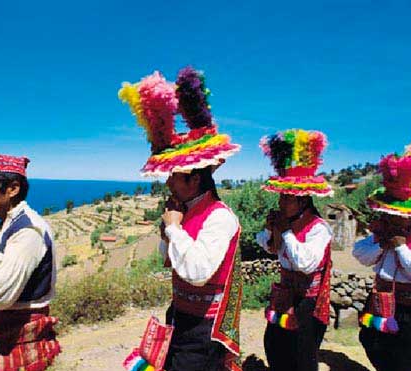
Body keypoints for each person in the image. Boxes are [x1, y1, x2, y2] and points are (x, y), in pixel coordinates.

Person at [119, 66, 243, 371]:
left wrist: (174, 228)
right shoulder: (186, 212)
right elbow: (171, 260)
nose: (168, 183)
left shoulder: (220, 218)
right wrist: (169, 233)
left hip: (204, 328)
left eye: (173, 177)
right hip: (181, 317)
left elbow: (198, 271)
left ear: (193, 181)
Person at [0, 150, 60, 371]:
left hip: (20, 346)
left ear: (13, 189)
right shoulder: (8, 224)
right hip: (2, 339)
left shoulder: (28, 231)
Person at [255, 129, 334, 371]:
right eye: (281, 198)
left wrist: (286, 232)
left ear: (303, 201)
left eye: (287, 199)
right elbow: (266, 245)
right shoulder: (284, 223)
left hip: (306, 303)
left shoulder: (318, 228)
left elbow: (305, 263)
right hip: (283, 296)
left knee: (302, 355)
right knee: (274, 345)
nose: (281, 203)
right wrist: (272, 231)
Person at [352, 140, 411, 371]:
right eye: (388, 214)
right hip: (380, 303)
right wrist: (383, 243)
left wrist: (402, 248)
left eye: (395, 215)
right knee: (370, 341)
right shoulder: (382, 232)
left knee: (405, 360)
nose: (390, 218)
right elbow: (360, 254)